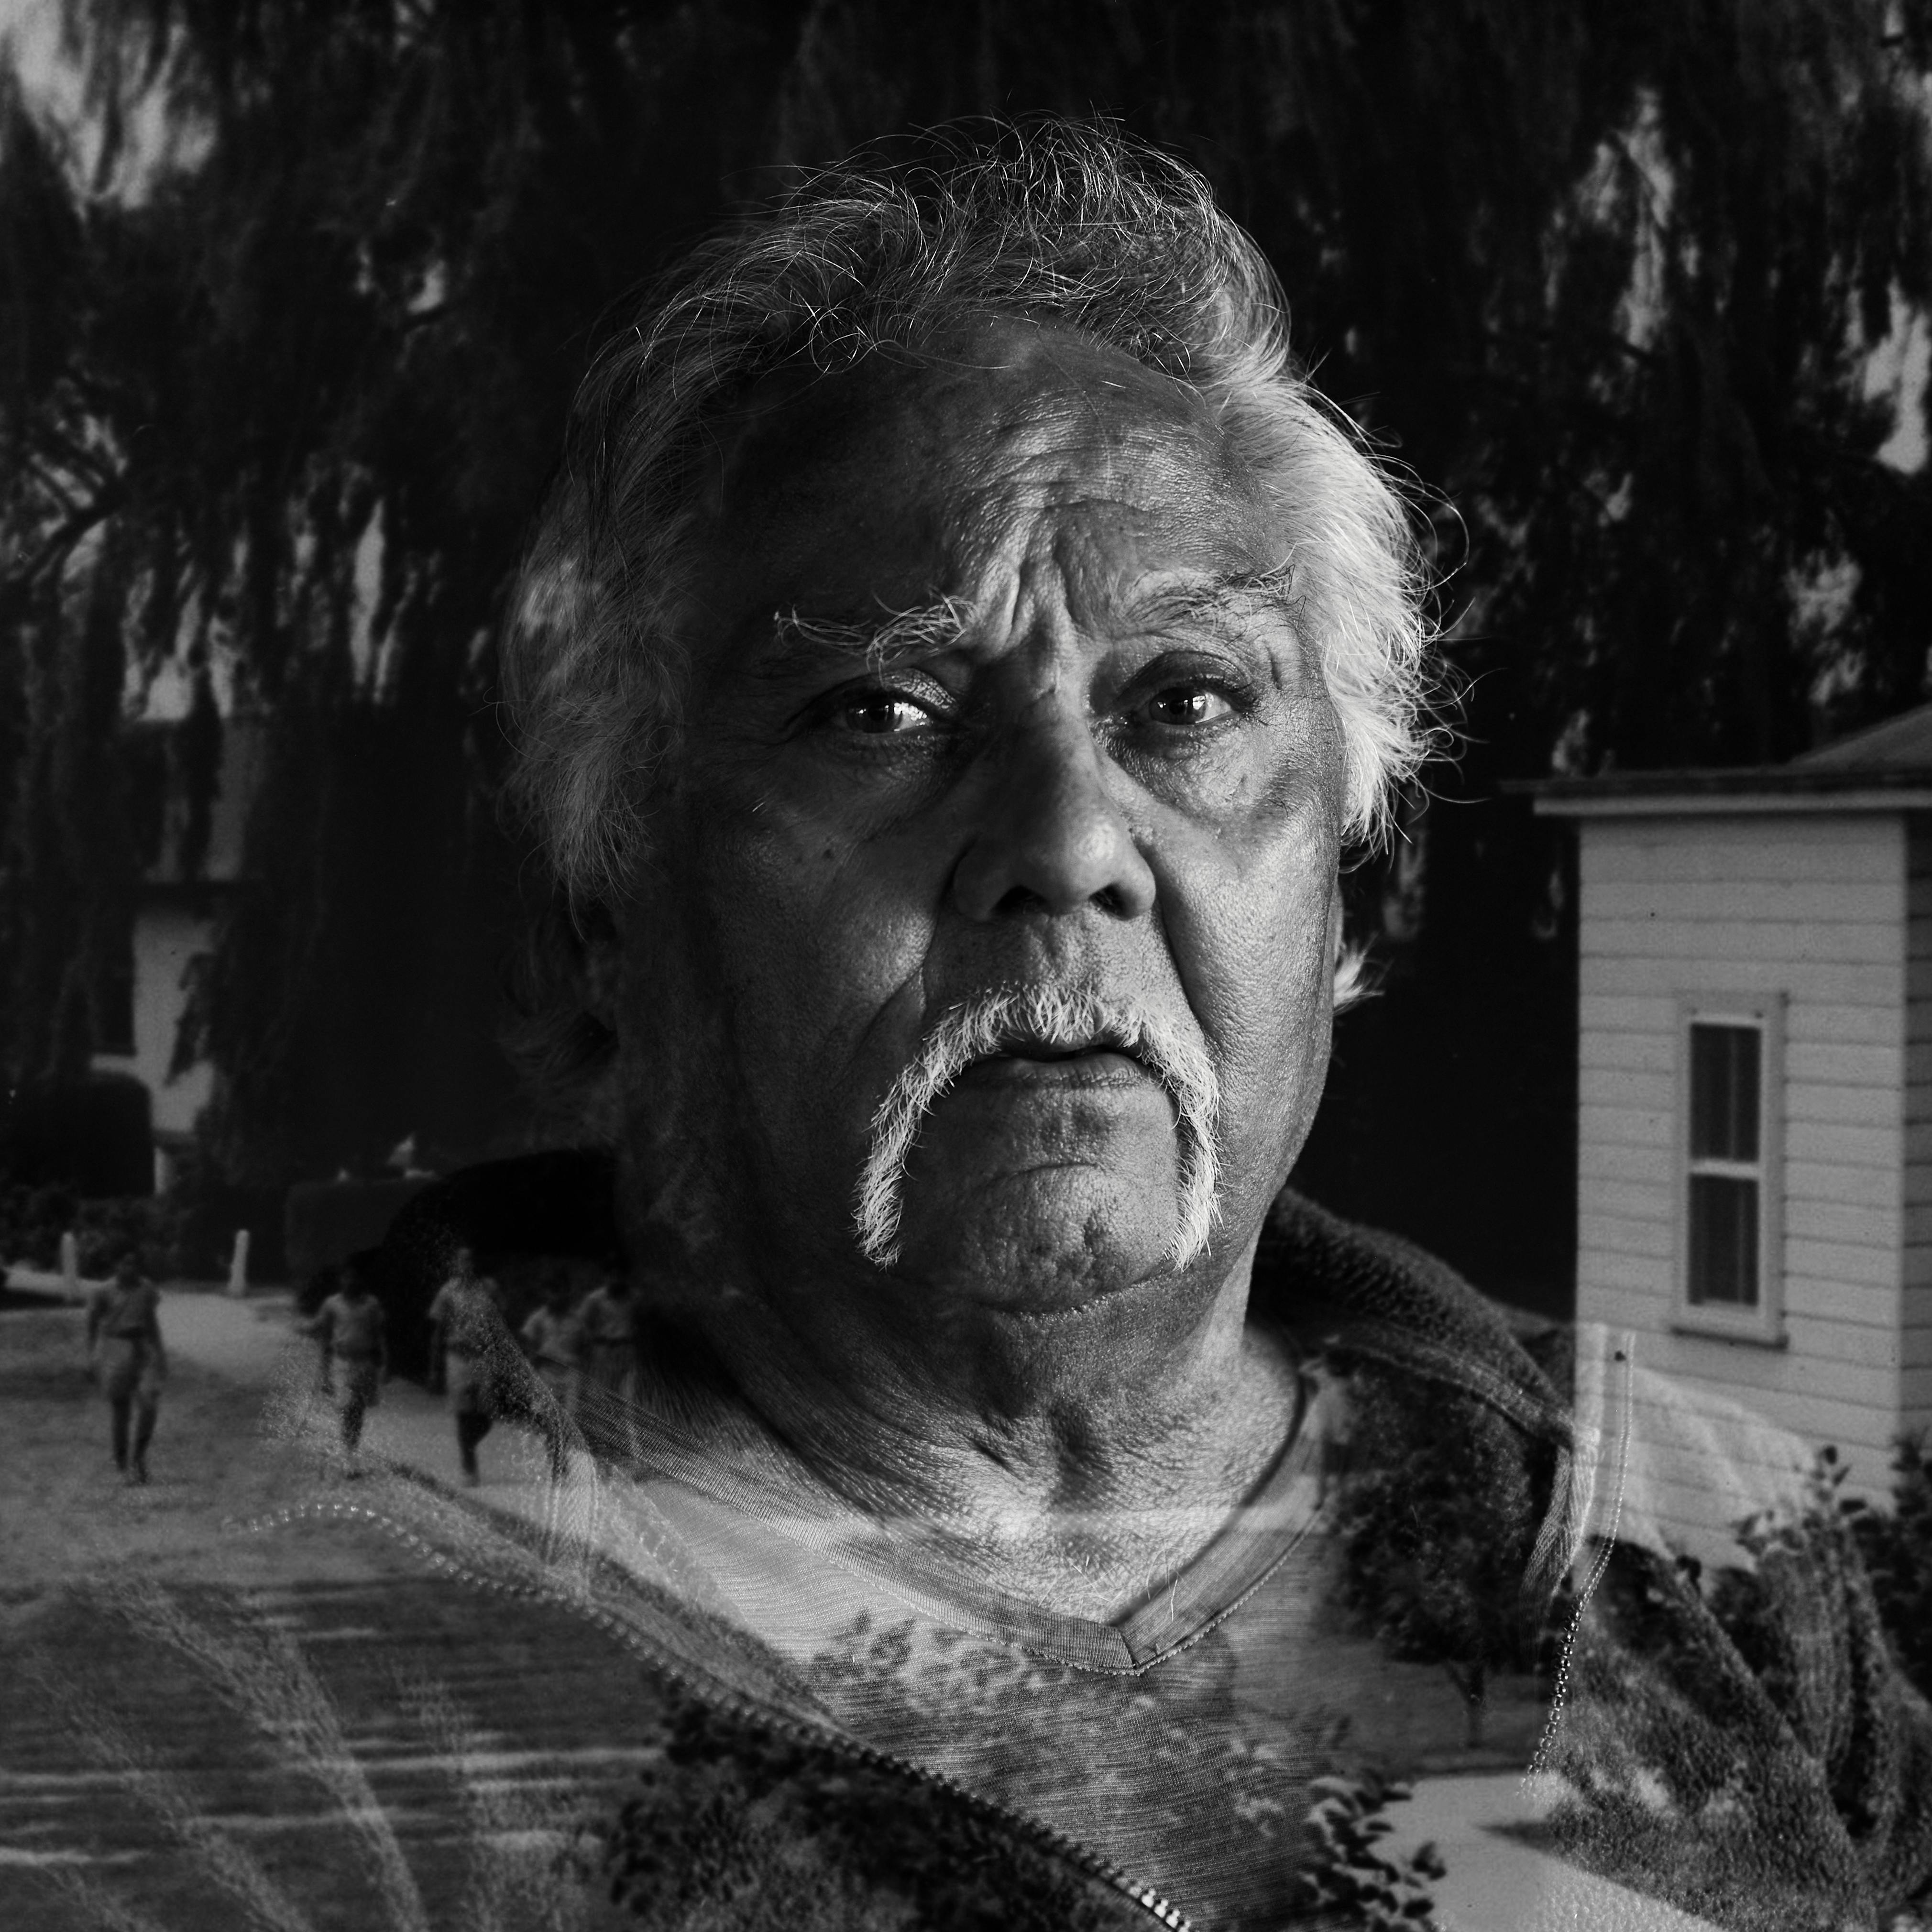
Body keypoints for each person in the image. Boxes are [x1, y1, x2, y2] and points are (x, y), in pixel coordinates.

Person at [358, 121, 1930, 1928]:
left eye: (1183, 700)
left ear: (1362, 881)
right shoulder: (274, 1671)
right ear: (613, 916)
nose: (1064, 845)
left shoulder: (1725, 1554)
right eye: (877, 710)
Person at [86, 1253, 166, 1485]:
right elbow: (92, 1323)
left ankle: (139, 1458)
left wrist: (160, 1354)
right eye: (125, 1262)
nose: (130, 1268)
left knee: (149, 1404)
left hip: (141, 1346)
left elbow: (152, 1321)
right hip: (115, 1347)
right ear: (117, 1265)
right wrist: (91, 1356)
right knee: (121, 1410)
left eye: (134, 1263)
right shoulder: (104, 1291)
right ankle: (122, 1462)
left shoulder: (147, 1289)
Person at [426, 1247, 502, 1486]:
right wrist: (434, 1368)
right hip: (457, 1357)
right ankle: (469, 1464)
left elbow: (500, 1327)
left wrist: (502, 1359)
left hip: (483, 1357)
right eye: (462, 1261)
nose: (467, 1265)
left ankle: (469, 1446)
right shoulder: (449, 1291)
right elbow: (437, 1331)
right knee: (463, 1413)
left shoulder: (489, 1288)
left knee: (486, 1415)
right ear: (456, 1264)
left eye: (471, 1260)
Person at [304, 1259, 388, 1475]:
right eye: (345, 1277)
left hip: (365, 1363)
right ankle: (348, 1456)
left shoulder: (371, 1304)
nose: (349, 1281)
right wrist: (323, 1372)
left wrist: (385, 1364)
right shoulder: (333, 1304)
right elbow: (323, 1335)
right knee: (347, 1407)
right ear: (341, 1280)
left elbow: (380, 1335)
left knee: (358, 1411)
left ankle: (352, 1449)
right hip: (342, 1362)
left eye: (353, 1277)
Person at [518, 1266, 577, 1478]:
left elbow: (584, 1347)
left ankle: (560, 1459)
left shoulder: (575, 1320)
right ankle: (558, 1461)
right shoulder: (539, 1319)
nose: (556, 1296)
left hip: (569, 1376)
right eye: (552, 1291)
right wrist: (534, 1361)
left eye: (561, 1291)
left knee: (567, 1422)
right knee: (551, 1423)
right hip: (546, 1376)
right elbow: (527, 1346)